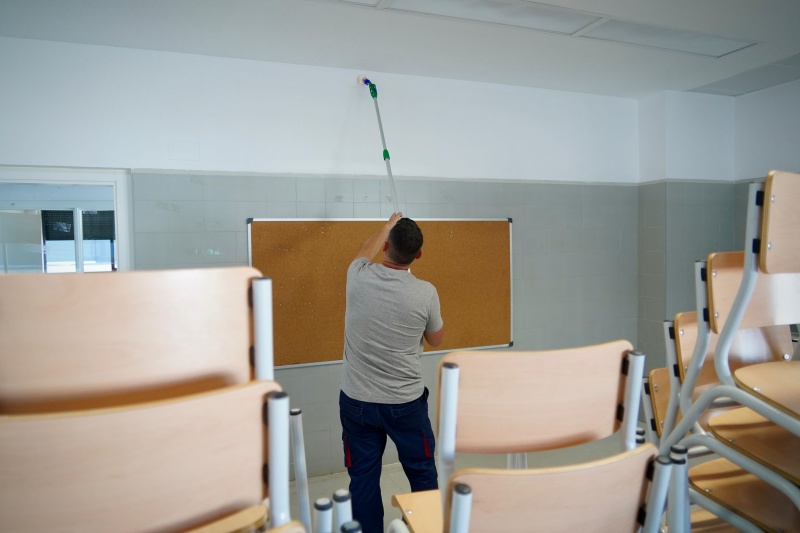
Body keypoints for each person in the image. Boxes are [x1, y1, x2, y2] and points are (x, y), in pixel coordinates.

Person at [339, 212, 445, 533]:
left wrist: (386, 226)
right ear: (419, 254)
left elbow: (363, 251)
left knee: (362, 477)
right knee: (422, 472)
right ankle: (428, 527)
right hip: (405, 405)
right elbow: (436, 339)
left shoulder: (357, 276)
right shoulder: (425, 292)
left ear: (385, 245)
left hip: (357, 403)